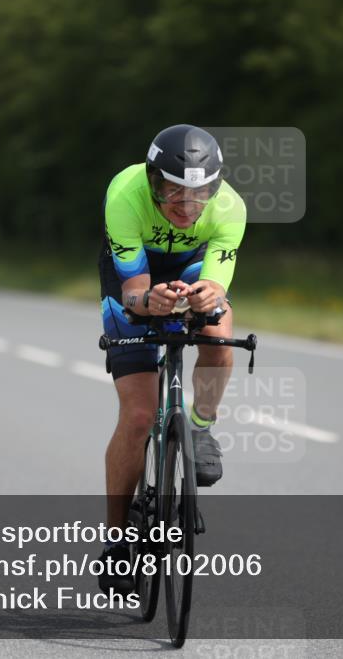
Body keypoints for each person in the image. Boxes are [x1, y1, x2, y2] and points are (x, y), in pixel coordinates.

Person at [97, 124, 246, 593]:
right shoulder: (125, 194)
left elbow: (218, 285)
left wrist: (208, 297)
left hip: (191, 266)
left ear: (216, 188)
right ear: (151, 179)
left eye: (199, 195)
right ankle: (118, 541)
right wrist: (147, 303)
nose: (185, 207)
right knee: (139, 415)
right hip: (136, 275)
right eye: (171, 193)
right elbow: (134, 291)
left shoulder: (230, 209)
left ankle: (200, 430)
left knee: (220, 337)